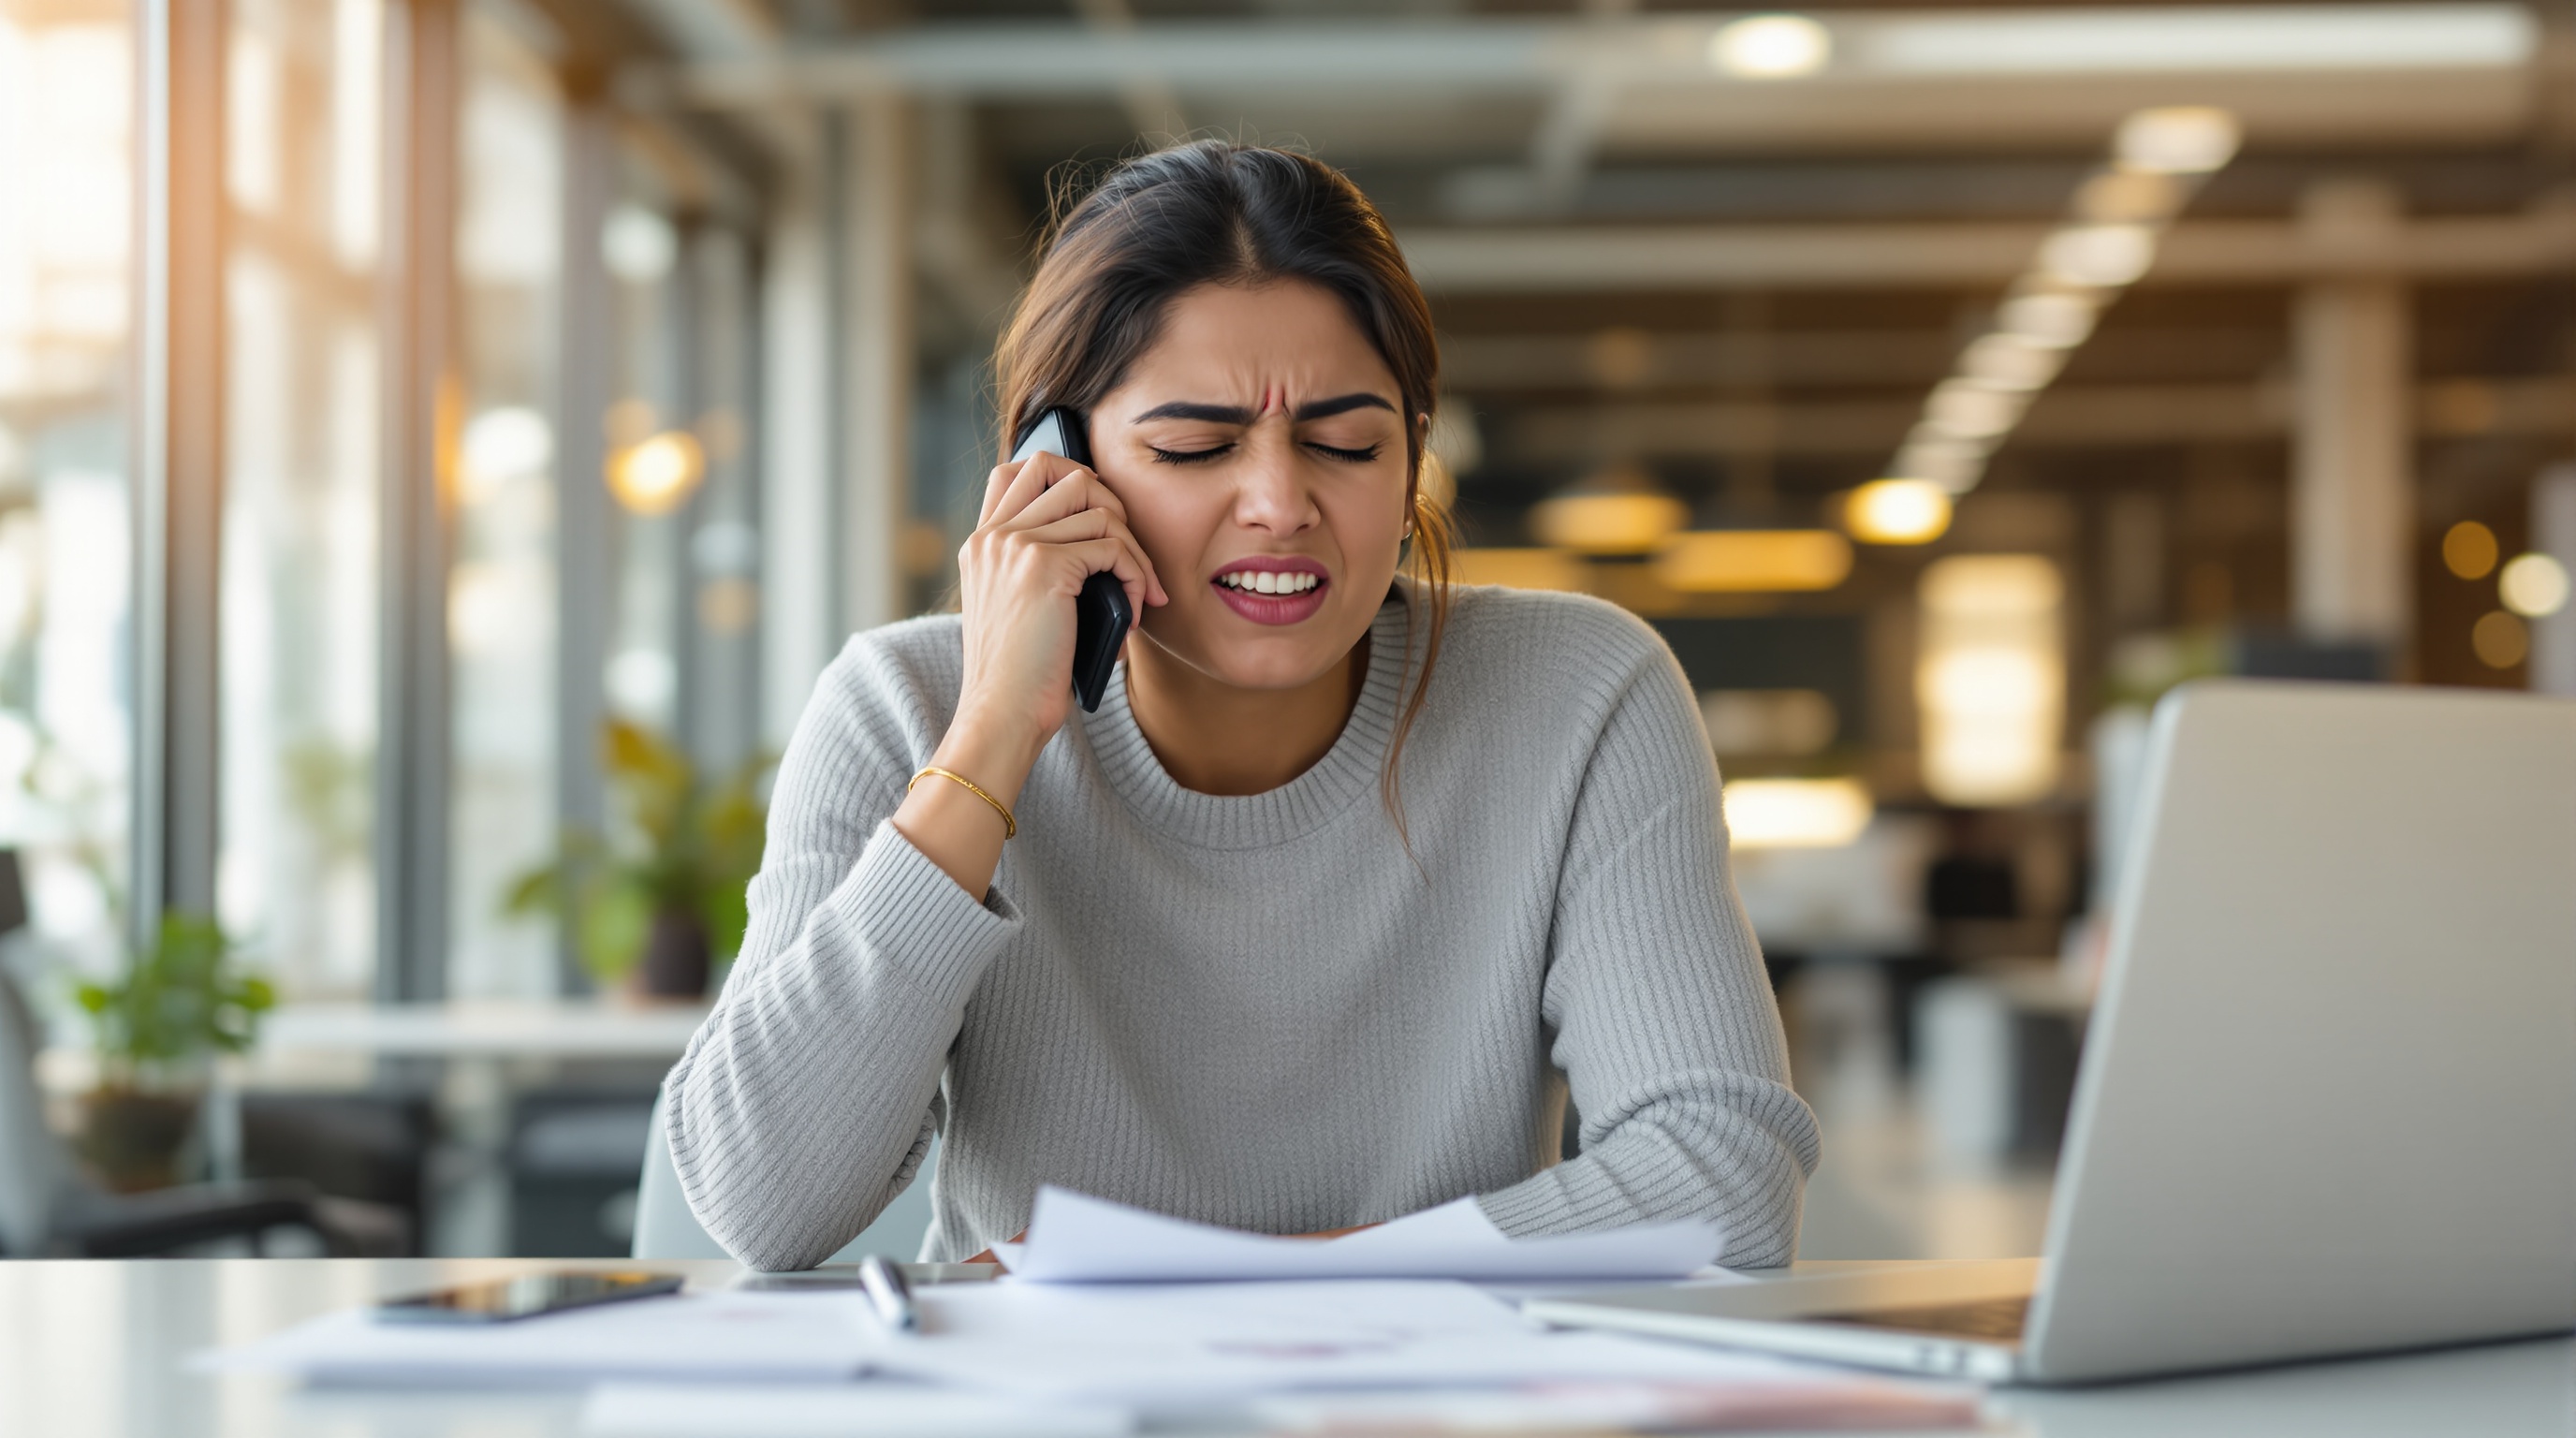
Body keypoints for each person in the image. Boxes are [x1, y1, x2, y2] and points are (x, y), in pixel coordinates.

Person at [665, 140, 1819, 1271]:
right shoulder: (904, 702)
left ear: (1413, 455)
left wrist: (1269, 1279)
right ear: (1057, 468)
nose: (1279, 502)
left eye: (1344, 443)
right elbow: (765, 1207)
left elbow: (1723, 1176)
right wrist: (992, 742)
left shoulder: (1578, 694)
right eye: (1195, 446)